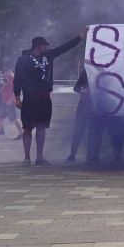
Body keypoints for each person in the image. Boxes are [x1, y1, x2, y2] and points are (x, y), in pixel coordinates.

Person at [14, 33, 83, 166]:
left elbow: (64, 48)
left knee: (42, 127)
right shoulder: (23, 59)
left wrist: (80, 37)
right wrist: (17, 97)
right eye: (44, 45)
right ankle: (27, 157)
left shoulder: (48, 56)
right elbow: (17, 79)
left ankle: (39, 157)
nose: (46, 47)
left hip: (44, 97)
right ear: (38, 46)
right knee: (27, 128)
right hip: (29, 98)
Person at [0, 71, 22, 139]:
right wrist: (4, 85)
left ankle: (22, 133)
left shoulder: (14, 81)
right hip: (5, 103)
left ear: (11, 74)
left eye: (7, 75)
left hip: (11, 103)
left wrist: (10, 101)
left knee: (15, 119)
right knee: (0, 118)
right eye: (4, 75)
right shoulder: (7, 81)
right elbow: (0, 91)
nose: (5, 77)